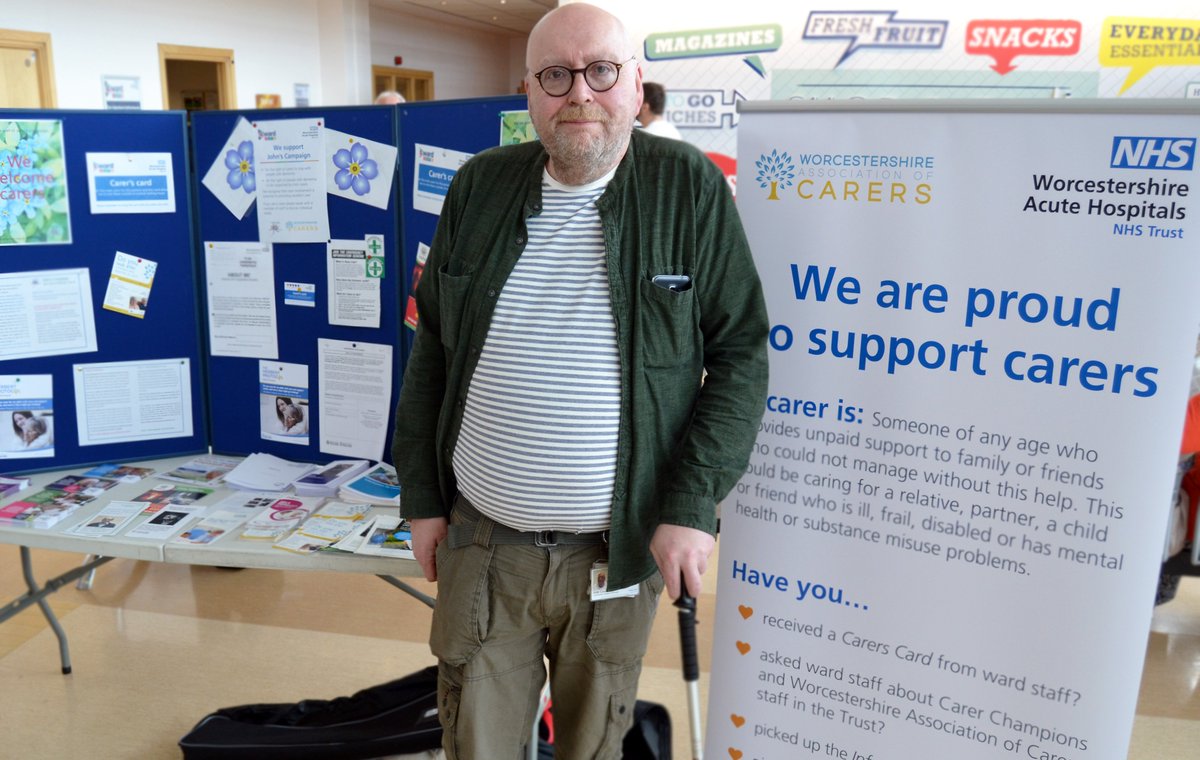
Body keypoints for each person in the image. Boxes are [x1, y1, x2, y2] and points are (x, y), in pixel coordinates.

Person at [390, 4, 768, 758]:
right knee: (476, 742)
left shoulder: (686, 188)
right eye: (556, 76)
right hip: (484, 544)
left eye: (600, 72)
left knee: (594, 743)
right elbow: (431, 346)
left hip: (616, 552)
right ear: (528, 90)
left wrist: (693, 505)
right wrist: (423, 497)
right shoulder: (479, 185)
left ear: (634, 85)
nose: (580, 95)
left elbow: (740, 353)